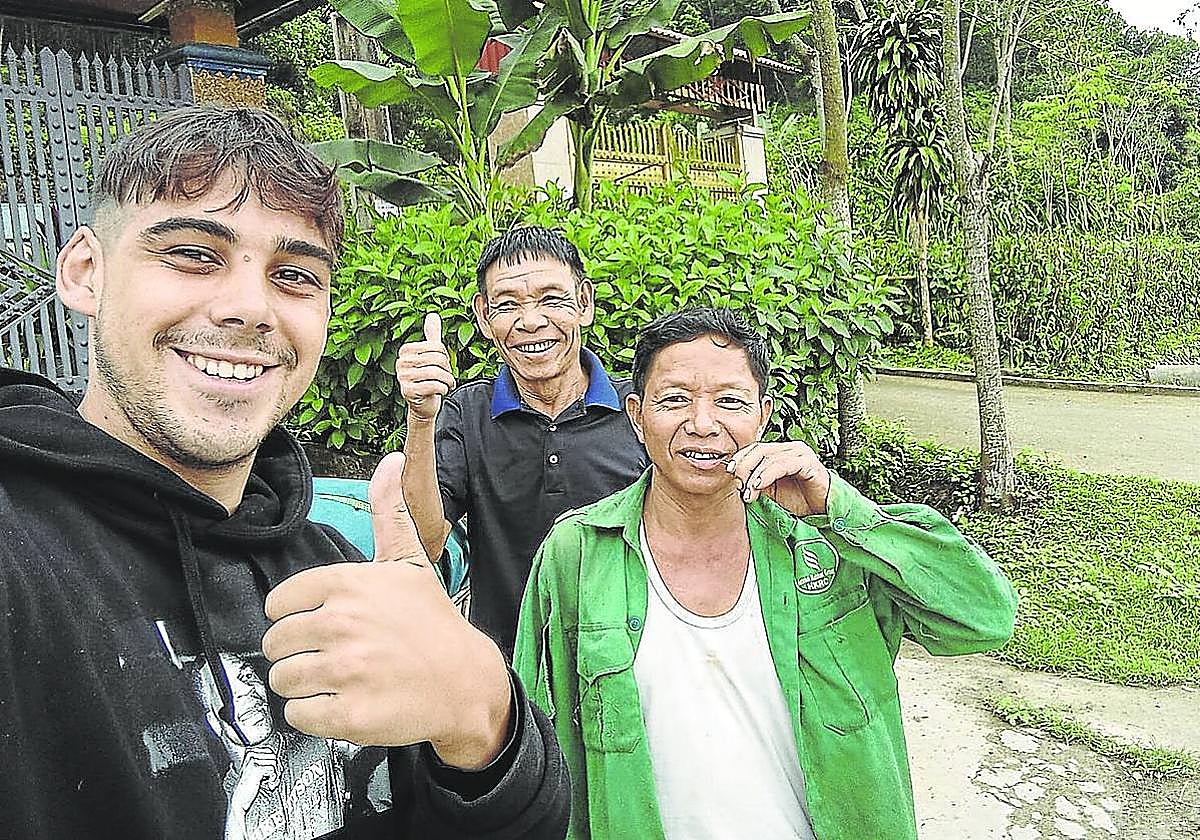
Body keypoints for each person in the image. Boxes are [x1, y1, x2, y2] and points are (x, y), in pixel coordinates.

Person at [0, 106, 569, 840]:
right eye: (193, 254)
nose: (248, 309)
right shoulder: (19, 555)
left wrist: (486, 717)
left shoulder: (333, 571)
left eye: (294, 274)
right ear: (85, 271)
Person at [513, 307, 1019, 840]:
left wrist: (838, 506)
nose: (702, 424)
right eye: (675, 399)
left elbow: (983, 617)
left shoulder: (829, 540)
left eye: (729, 402)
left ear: (763, 415)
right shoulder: (578, 552)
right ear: (637, 417)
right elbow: (539, 745)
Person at [396, 226, 647, 657]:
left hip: (632, 660)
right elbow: (426, 540)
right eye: (507, 305)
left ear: (584, 303)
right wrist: (420, 418)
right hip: (507, 672)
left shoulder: (640, 411)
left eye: (551, 299)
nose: (530, 321)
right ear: (483, 317)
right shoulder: (465, 414)